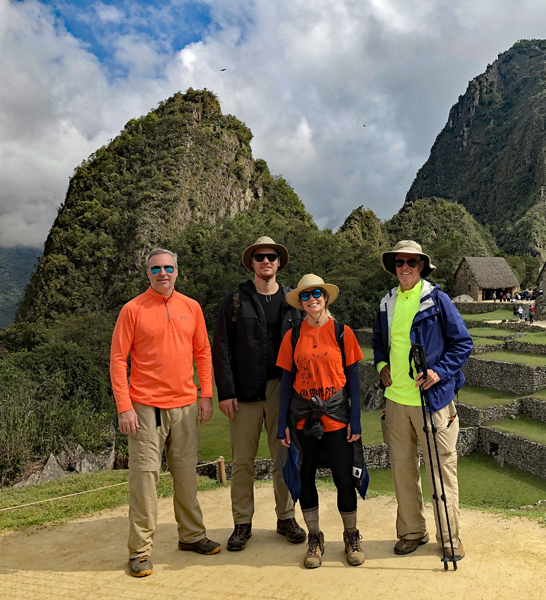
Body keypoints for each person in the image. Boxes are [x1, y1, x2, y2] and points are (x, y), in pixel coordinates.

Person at [110, 248, 220, 578]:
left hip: (185, 404)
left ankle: (191, 536)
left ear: (177, 271)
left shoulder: (191, 307)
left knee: (186, 476)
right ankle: (141, 550)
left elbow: (202, 352)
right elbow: (118, 360)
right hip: (145, 408)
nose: (163, 273)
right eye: (156, 268)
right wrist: (124, 406)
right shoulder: (132, 310)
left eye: (168, 267)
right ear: (147, 273)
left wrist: (206, 395)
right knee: (144, 479)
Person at [372, 240, 473, 562]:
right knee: (402, 471)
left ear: (421, 267)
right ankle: (412, 532)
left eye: (411, 263)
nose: (405, 267)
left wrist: (438, 372)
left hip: (431, 399)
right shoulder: (387, 302)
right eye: (400, 262)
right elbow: (377, 341)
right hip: (397, 401)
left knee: (441, 469)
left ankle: (449, 535)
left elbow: (462, 343)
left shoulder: (437, 300)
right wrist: (381, 365)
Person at [212, 236, 306, 552]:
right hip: (244, 391)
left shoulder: (294, 302)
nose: (266, 261)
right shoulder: (235, 301)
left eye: (272, 257)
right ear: (252, 262)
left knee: (284, 457)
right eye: (260, 257)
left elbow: (304, 346)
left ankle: (286, 517)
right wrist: (225, 392)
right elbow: (221, 348)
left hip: (282, 389)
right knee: (242, 462)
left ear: (279, 263)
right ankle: (242, 523)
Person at [276, 274, 366, 569]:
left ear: (325, 298)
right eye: (305, 295)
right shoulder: (292, 336)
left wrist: (355, 419)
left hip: (336, 417)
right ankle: (315, 537)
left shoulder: (342, 332)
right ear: (300, 303)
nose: (312, 299)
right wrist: (282, 425)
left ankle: (351, 535)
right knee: (306, 478)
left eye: (317, 293)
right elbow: (287, 381)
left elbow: (353, 379)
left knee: (343, 478)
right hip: (303, 419)